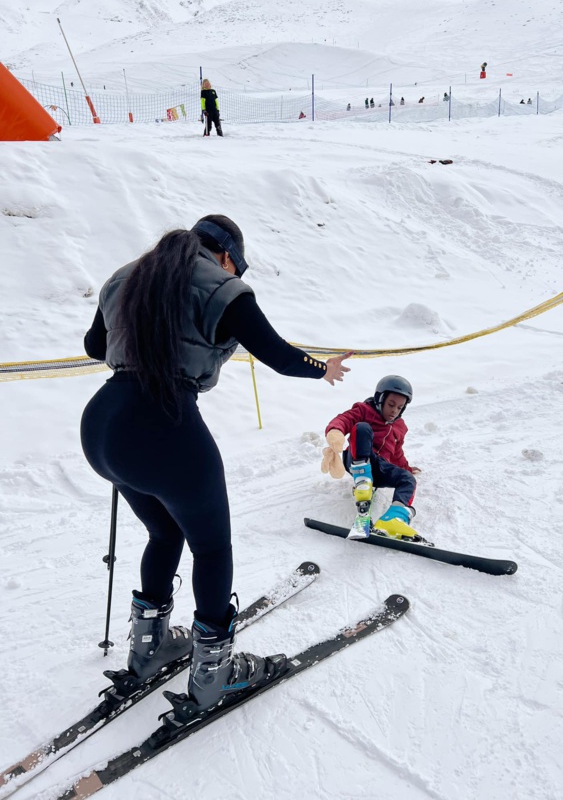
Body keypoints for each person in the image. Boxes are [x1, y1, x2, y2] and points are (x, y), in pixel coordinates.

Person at [81, 215, 352, 720]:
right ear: (226, 256)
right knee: (210, 546)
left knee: (164, 532)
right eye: (235, 265)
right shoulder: (223, 287)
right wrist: (323, 368)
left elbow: (95, 347)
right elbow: (276, 354)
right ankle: (213, 675)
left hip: (102, 428)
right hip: (165, 424)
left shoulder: (127, 276)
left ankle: (149, 648)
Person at [320, 376, 421, 541]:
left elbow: (396, 453)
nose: (394, 411)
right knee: (362, 428)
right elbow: (344, 420)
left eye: (400, 407)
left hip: (380, 468)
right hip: (356, 460)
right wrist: (336, 431)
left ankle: (393, 519)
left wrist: (406, 468)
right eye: (391, 405)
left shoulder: (400, 427)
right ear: (380, 399)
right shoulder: (364, 411)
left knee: (408, 480)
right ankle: (363, 481)